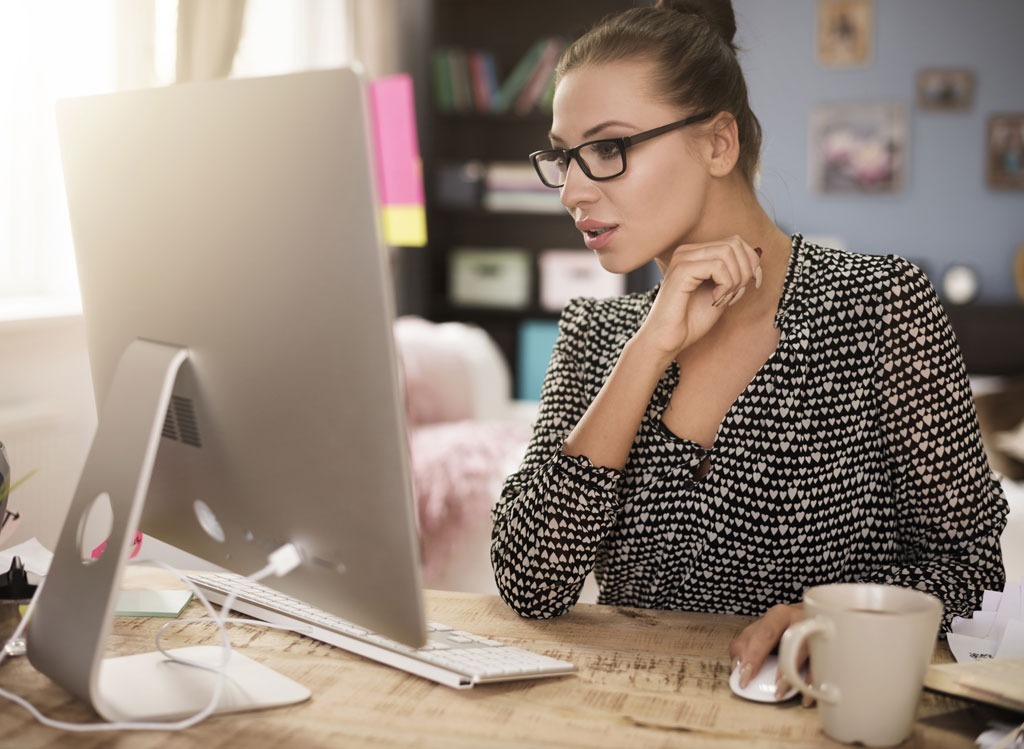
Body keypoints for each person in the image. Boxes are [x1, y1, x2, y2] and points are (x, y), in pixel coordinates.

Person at [490, 0, 1008, 697]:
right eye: (564, 156)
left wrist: (837, 620)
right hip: (624, 722)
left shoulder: (880, 304)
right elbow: (529, 579)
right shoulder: (597, 334)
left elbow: (971, 568)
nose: (573, 191)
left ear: (717, 144)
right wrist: (648, 350)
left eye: (608, 150)